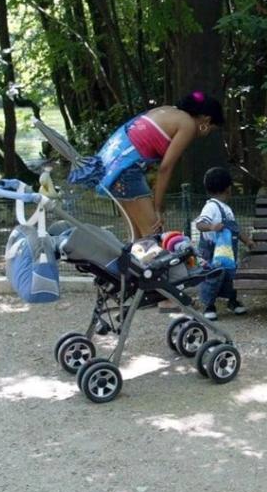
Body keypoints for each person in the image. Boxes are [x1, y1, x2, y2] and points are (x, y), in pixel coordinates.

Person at [71, 91, 225, 238]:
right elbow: (165, 168)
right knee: (153, 237)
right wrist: (158, 208)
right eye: (211, 129)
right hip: (126, 171)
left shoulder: (166, 110)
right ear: (206, 119)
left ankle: (133, 264)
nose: (207, 134)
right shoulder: (188, 124)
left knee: (136, 238)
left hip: (111, 168)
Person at [193, 167, 255, 320]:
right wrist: (212, 227)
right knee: (212, 277)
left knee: (231, 276)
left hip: (228, 253)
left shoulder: (227, 209)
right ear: (228, 188)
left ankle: (232, 301)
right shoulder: (211, 207)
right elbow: (199, 224)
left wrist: (247, 241)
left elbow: (235, 229)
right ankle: (209, 305)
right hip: (212, 251)